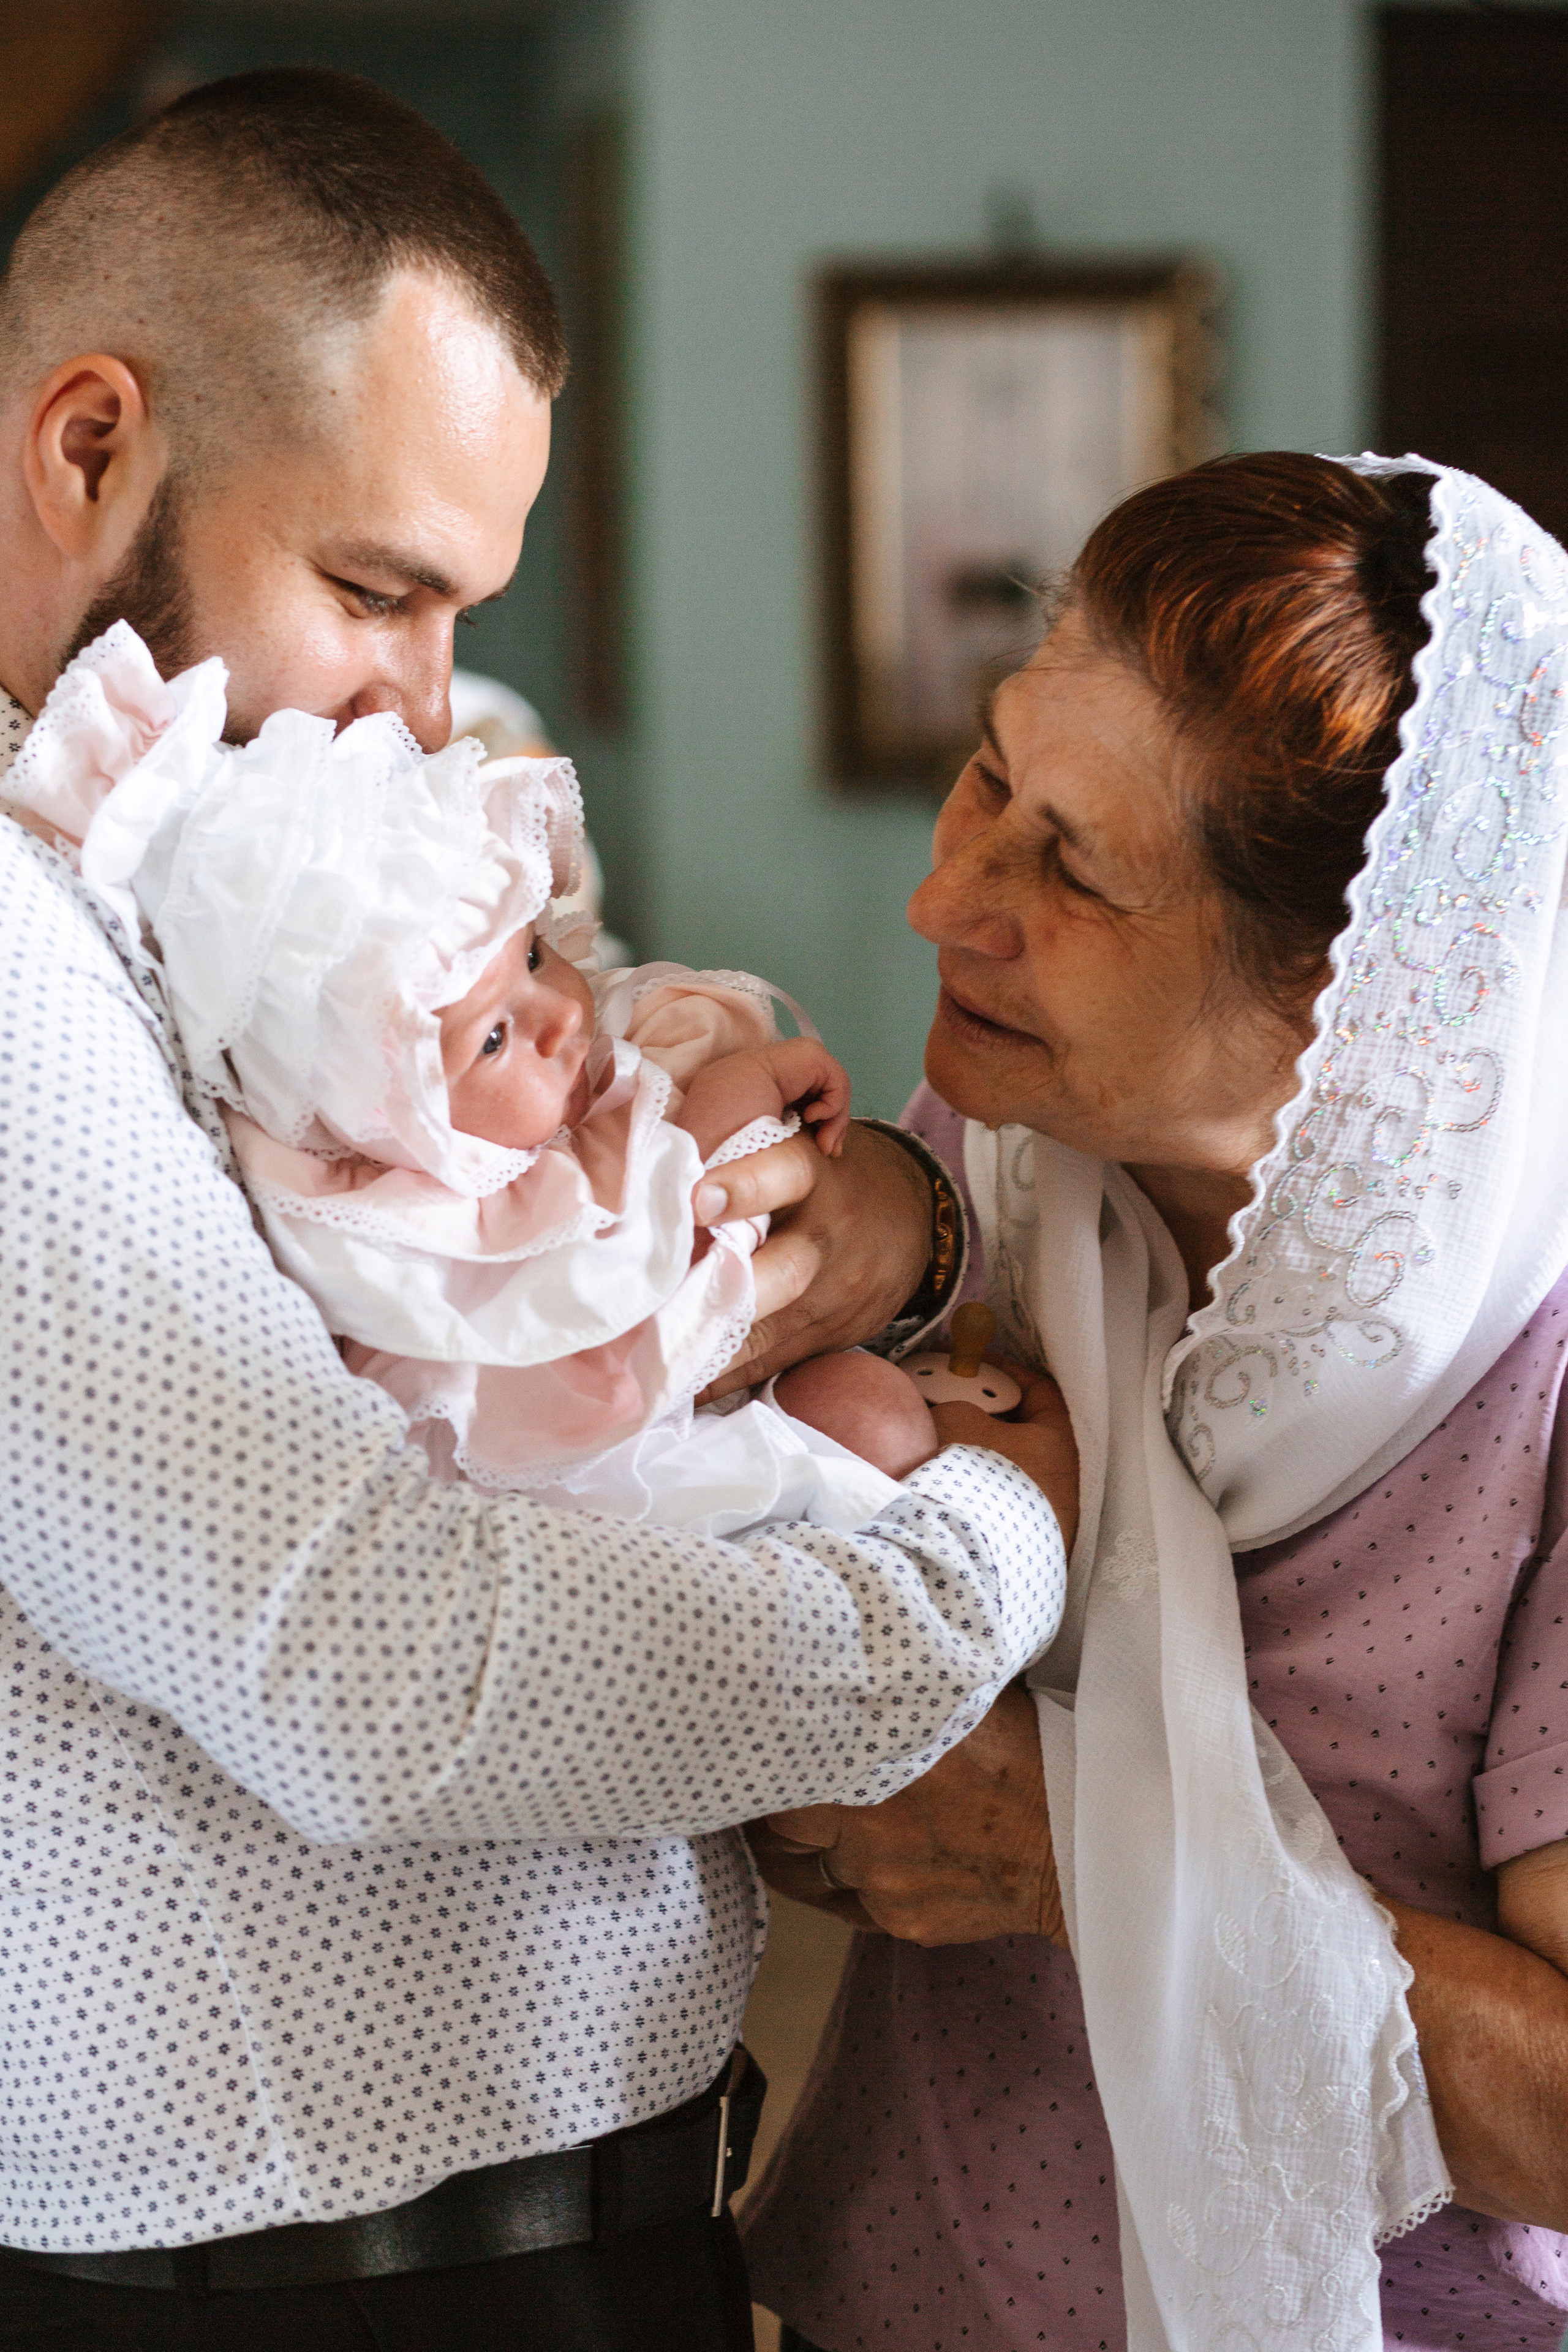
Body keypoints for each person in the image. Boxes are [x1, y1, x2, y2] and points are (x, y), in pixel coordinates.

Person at [0, 66, 1078, 2352]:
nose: (422, 710)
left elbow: (630, 1149)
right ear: (87, 448)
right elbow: (364, 1672)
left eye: (457, 613)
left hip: (601, 2228)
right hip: (295, 2302)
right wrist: (989, 1549)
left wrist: (881, 1220)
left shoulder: (274, 834)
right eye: (373, 593)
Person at [744, 451, 1568, 2352]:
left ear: (1360, 1012)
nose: (942, 897)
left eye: (1077, 873)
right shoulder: (998, 1162)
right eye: (987, 777)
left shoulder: (1537, 1378)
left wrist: (1068, 1852)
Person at [5, 618, 946, 1513]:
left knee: (875, 1411)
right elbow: (656, 1208)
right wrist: (751, 1087)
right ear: (393, 1121)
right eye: (491, 1039)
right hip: (600, 1484)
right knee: (875, 1422)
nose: (557, 1016)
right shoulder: (437, 1226)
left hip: (701, 1409)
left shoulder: (521, 1097)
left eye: (533, 954)